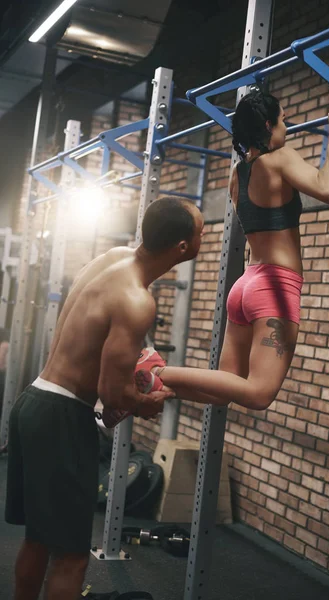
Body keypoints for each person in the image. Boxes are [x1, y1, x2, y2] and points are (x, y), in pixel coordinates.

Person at [5, 196, 205, 600]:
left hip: (34, 402)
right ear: (183, 248)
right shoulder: (137, 301)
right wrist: (145, 402)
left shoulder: (112, 258)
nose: (204, 235)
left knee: (39, 539)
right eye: (202, 230)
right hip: (62, 417)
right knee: (73, 557)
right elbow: (112, 392)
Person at [134, 89, 329, 410]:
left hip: (246, 286)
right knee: (260, 394)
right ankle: (155, 368)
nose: (286, 129)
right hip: (274, 288)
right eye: (283, 121)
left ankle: (158, 383)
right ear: (268, 124)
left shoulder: (239, 175)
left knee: (223, 391)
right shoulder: (280, 158)